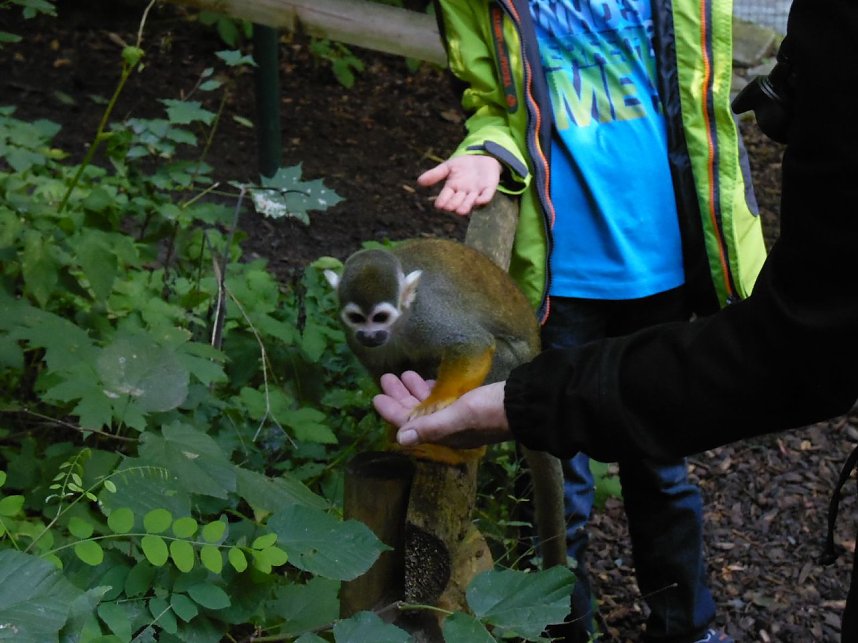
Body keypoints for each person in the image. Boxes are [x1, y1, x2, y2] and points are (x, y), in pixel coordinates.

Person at [375, 0, 858, 639]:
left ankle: (685, 625)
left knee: (661, 470)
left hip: (663, 266)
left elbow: (700, 100)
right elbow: (496, 101)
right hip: (566, 276)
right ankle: (560, 626)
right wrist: (485, 149)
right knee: (555, 478)